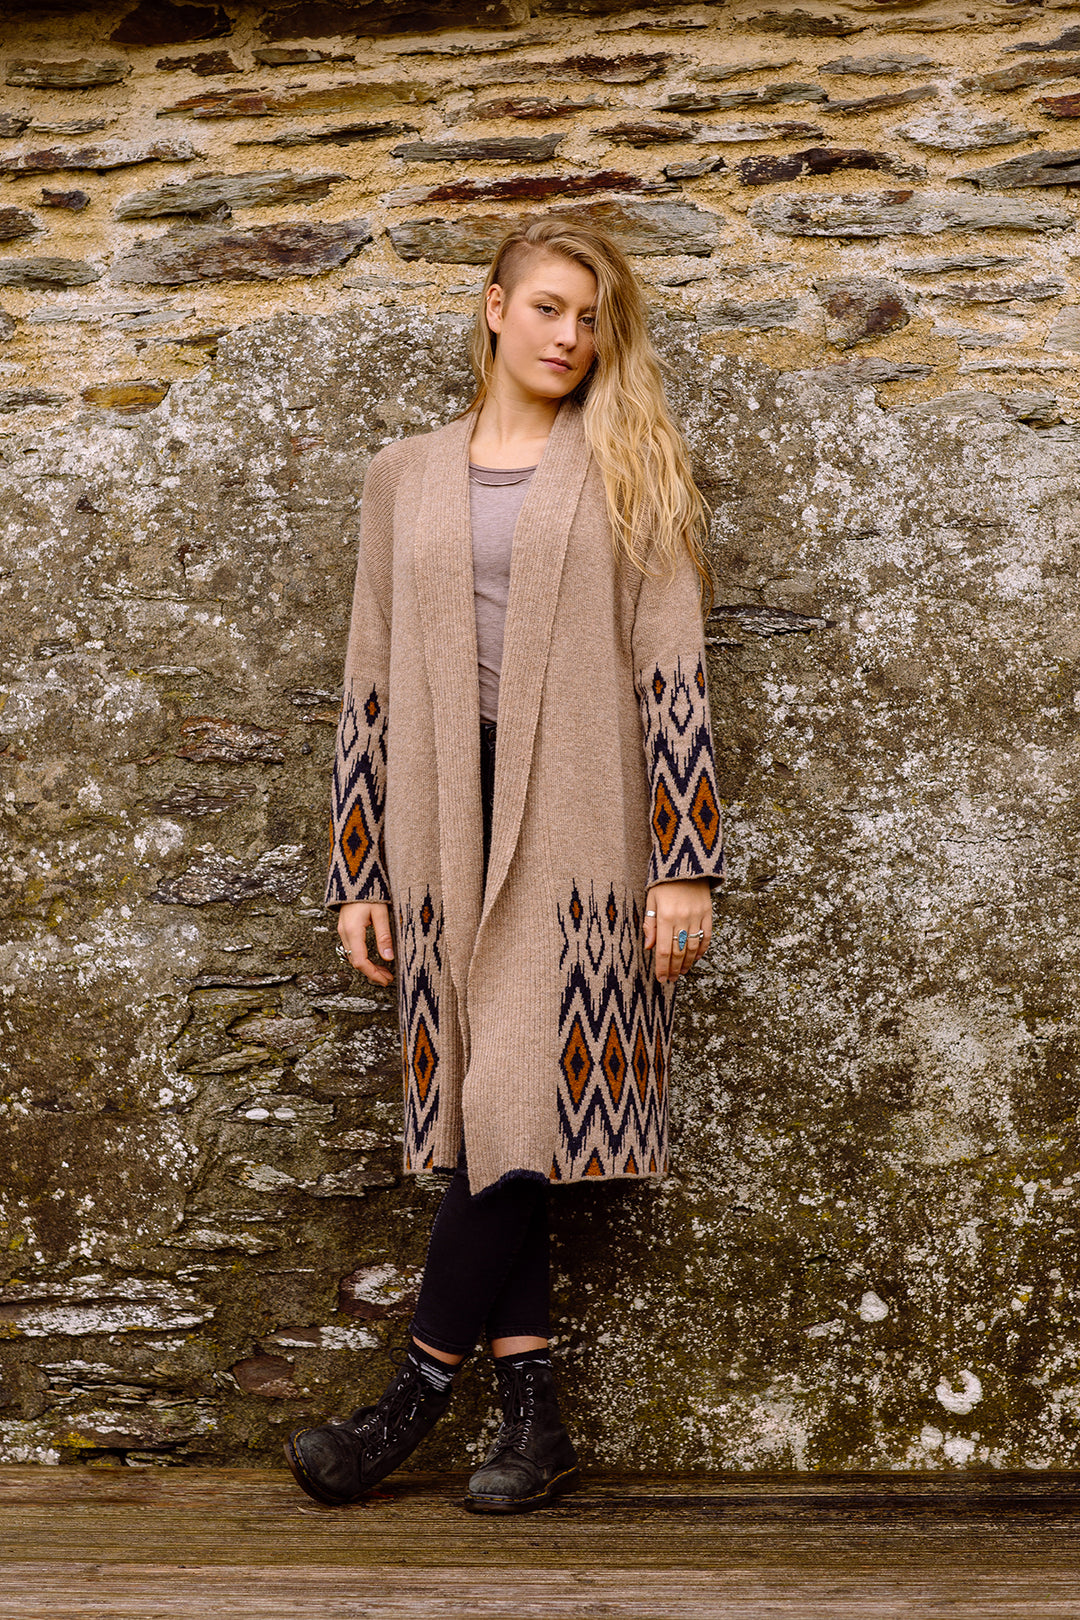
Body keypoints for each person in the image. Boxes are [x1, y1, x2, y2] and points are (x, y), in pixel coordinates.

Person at [284, 211, 724, 1515]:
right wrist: (357, 870)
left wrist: (684, 864)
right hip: (435, 826)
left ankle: (407, 1401)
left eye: (590, 320)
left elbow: (675, 670)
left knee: (515, 1106)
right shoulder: (402, 476)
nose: (569, 337)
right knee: (493, 1119)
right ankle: (533, 1418)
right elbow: (368, 675)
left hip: (575, 828)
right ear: (492, 308)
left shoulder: (628, 463)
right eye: (547, 309)